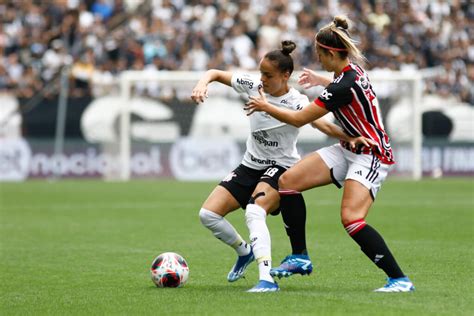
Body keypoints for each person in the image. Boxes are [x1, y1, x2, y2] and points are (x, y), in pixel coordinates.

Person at [245, 17, 415, 293]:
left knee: (351, 218)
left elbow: (300, 119)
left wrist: (265, 106)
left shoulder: (340, 86)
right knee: (288, 181)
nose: (318, 60)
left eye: (320, 55)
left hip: (370, 154)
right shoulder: (351, 73)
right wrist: (319, 79)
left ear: (332, 53)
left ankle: (399, 279)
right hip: (348, 147)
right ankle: (300, 256)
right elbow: (343, 85)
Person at [191, 41, 371, 292]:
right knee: (207, 215)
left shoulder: (296, 101)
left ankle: (266, 279)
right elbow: (215, 73)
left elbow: (325, 126)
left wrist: (351, 138)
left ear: (286, 76)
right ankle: (244, 252)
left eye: (268, 75)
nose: (262, 79)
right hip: (249, 165)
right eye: (260, 73)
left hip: (281, 167)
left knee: (254, 212)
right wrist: (202, 84)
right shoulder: (252, 85)